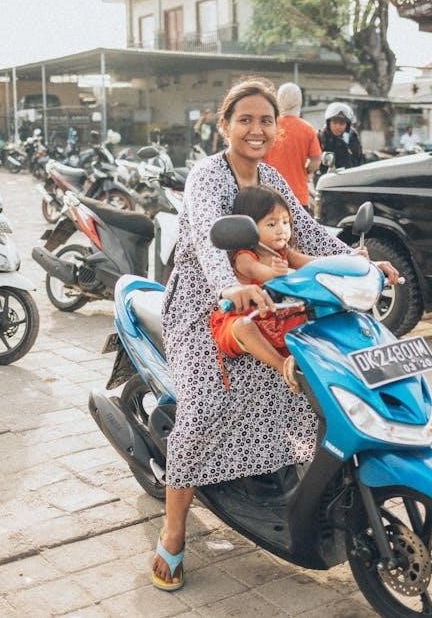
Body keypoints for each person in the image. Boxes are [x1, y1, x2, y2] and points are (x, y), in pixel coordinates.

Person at [152, 78, 398, 592]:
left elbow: (307, 231)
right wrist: (229, 287)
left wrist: (362, 262)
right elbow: (208, 239)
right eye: (244, 120)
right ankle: (173, 531)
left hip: (268, 301)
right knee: (206, 409)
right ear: (225, 125)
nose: (256, 129)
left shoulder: (270, 176)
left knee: (312, 383)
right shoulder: (206, 176)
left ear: (277, 127)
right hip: (203, 307)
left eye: (265, 120)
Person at [210, 185, 314, 392]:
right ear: (249, 230)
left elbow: (312, 263)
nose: (281, 229)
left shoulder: (284, 252)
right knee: (244, 326)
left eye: (285, 222)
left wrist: (348, 260)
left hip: (276, 316)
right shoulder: (245, 257)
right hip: (245, 315)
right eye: (272, 224)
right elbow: (261, 273)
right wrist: (277, 273)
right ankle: (284, 367)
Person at [263, 82, 321, 208]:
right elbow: (316, 161)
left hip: (270, 196)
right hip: (298, 197)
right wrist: (306, 171)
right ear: (300, 101)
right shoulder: (308, 129)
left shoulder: (268, 126)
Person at [317, 102, 363, 170]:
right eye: (335, 122)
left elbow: (358, 160)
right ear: (329, 123)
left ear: (347, 125)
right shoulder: (321, 138)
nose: (338, 127)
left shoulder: (352, 137)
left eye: (342, 123)